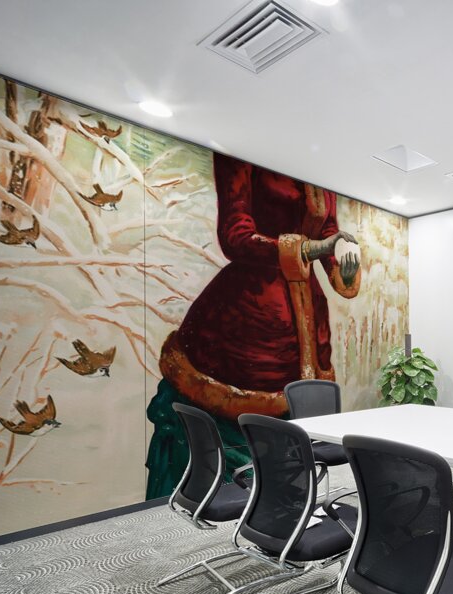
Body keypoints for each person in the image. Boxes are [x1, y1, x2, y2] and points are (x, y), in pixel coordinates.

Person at [145, 153, 361, 498]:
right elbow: (235, 234)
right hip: (247, 320)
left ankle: (290, 507)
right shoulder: (243, 156)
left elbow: (328, 231)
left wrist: (341, 265)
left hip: (308, 320)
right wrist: (308, 249)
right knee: (233, 436)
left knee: (296, 439)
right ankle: (232, 508)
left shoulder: (320, 179)